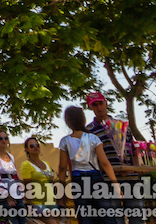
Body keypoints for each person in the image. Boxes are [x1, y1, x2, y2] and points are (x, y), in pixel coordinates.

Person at [57, 106, 119, 224]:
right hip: (95, 177)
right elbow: (105, 163)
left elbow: (62, 167)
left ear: (67, 122)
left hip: (78, 180)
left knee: (85, 217)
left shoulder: (65, 141)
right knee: (107, 215)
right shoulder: (93, 138)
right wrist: (115, 184)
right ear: (83, 120)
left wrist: (61, 190)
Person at [84, 92, 132, 224]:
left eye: (101, 103)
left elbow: (133, 149)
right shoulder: (88, 131)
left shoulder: (122, 125)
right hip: (106, 181)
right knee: (115, 219)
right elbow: (90, 158)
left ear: (106, 103)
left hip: (130, 178)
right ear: (90, 107)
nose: (99, 107)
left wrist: (135, 167)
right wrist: (108, 170)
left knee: (137, 217)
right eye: (95, 105)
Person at [0, 128, 24, 224]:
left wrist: (20, 193)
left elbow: (15, 176)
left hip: (15, 192)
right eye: (0, 138)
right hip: (3, 193)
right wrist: (6, 196)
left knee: (23, 220)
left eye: (5, 138)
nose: (3, 140)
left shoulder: (11, 157)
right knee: (12, 220)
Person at [20, 135, 56, 217]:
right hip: (37, 202)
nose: (35, 147)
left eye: (37, 145)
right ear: (26, 149)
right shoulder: (26, 164)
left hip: (52, 201)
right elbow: (27, 185)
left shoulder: (47, 164)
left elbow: (52, 182)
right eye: (32, 146)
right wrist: (29, 205)